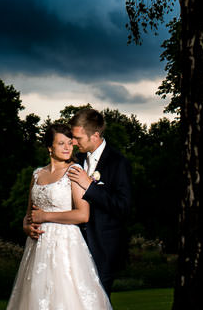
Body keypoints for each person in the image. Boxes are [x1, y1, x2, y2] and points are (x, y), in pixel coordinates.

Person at [6, 122, 112, 310]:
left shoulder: (74, 172)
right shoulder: (37, 174)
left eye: (70, 143)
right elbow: (29, 214)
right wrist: (26, 226)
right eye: (61, 143)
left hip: (65, 245)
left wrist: (45, 216)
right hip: (37, 247)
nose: (67, 148)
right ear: (49, 147)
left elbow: (83, 215)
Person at [68, 107, 132, 293]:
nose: (73, 142)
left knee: (98, 302)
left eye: (78, 138)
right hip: (75, 245)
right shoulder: (75, 161)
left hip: (104, 249)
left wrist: (90, 187)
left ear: (95, 136)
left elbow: (123, 207)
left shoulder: (118, 163)